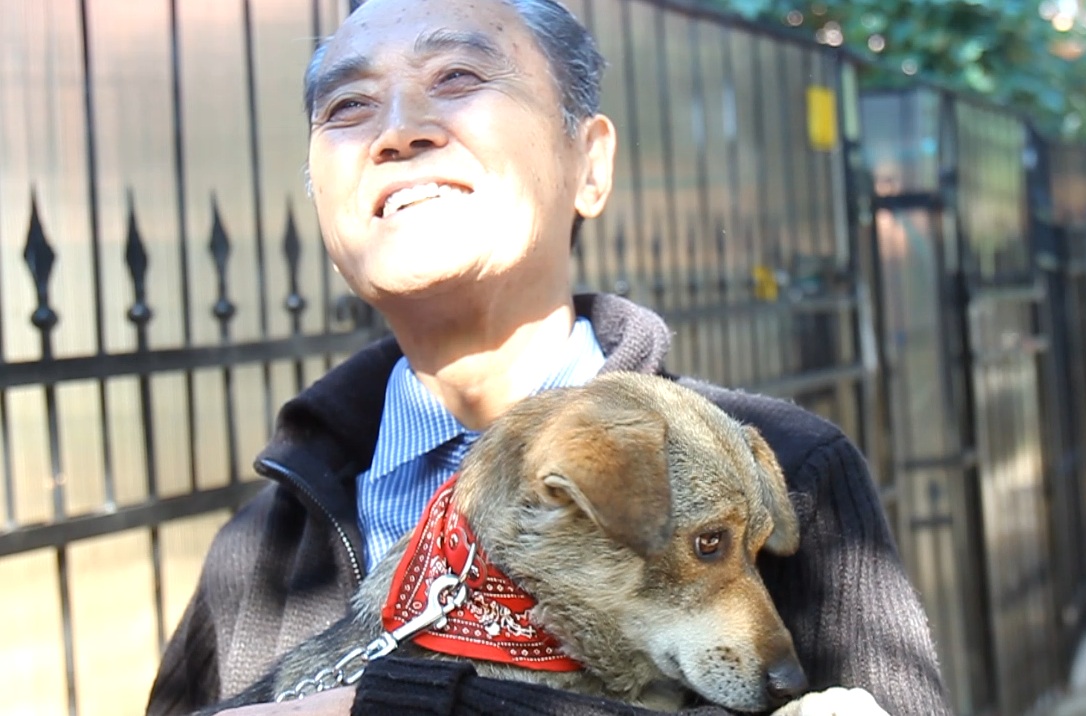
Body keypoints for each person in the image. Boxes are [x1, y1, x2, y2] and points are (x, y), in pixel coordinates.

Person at [145, 0, 952, 714]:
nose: (398, 132)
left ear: (589, 165)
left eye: (458, 77)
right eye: (348, 105)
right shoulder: (263, 547)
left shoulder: (795, 471)